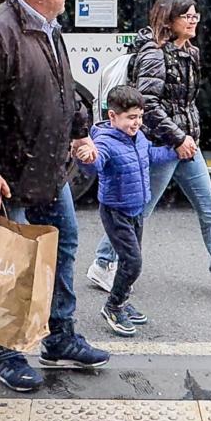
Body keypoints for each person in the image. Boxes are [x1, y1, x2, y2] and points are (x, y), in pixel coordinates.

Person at [0, 0, 109, 393]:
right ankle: (5, 351)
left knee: (62, 246)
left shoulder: (47, 28)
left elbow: (63, 86)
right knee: (10, 265)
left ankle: (59, 336)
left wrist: (79, 130)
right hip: (7, 175)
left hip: (46, 168)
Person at [86, 0, 211, 296]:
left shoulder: (190, 52)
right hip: (161, 146)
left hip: (186, 146)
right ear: (169, 20)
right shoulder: (154, 54)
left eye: (196, 15)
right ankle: (103, 263)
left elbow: (186, 102)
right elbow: (149, 105)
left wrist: (189, 137)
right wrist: (178, 137)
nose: (194, 20)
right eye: (187, 16)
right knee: (138, 208)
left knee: (209, 208)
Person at [79, 85, 178, 337]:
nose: (137, 123)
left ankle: (120, 299)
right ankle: (113, 307)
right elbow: (96, 164)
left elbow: (149, 156)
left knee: (130, 261)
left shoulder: (139, 137)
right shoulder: (105, 142)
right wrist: (88, 158)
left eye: (140, 117)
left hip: (136, 209)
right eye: (131, 118)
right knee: (132, 263)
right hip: (116, 211)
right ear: (112, 116)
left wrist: (175, 151)